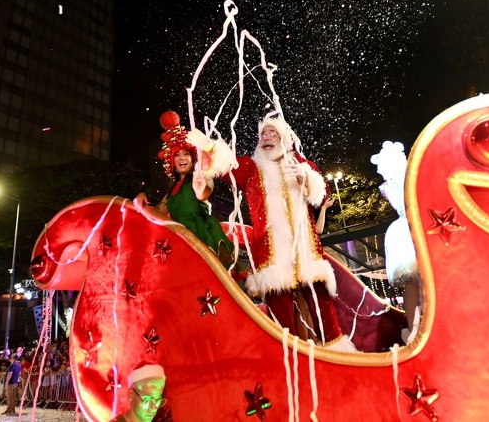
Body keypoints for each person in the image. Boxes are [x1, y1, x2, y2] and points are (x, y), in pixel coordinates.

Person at [187, 114, 356, 351]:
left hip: (305, 250)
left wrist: (306, 178)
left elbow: (323, 194)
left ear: (284, 138)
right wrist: (211, 147)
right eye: (262, 135)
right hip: (271, 253)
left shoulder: (299, 162)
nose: (266, 137)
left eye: (272, 133)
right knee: (281, 316)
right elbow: (229, 167)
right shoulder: (252, 167)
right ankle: (284, 357)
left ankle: (338, 355)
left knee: (322, 308)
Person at [135, 111, 236, 269]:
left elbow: (204, 190)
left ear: (193, 158)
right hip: (178, 238)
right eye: (177, 155)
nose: (182, 158)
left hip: (200, 235)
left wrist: (209, 148)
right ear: (172, 161)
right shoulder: (172, 191)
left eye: (186, 154)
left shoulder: (200, 176)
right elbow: (156, 213)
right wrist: (140, 198)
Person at [371, 141, 422, 344]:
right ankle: (419, 328)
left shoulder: (388, 186)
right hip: (412, 228)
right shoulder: (409, 179)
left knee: (412, 283)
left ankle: (414, 329)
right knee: (422, 281)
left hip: (402, 231)